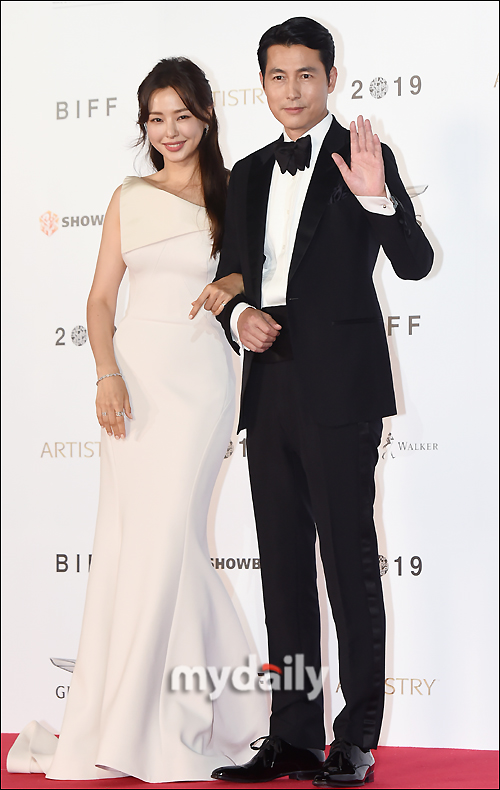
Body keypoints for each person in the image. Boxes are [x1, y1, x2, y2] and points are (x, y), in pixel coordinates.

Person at [7, 57, 268, 783]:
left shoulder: (234, 189)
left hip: (204, 383)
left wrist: (233, 279)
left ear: (207, 116)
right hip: (135, 381)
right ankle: (186, 710)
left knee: (168, 541)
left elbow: (261, 269)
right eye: (156, 118)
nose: (170, 131)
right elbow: (98, 300)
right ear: (144, 125)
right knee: (138, 546)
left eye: (182, 116)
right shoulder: (128, 195)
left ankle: (182, 717)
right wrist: (107, 373)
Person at [210, 17, 434, 787]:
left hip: (340, 389)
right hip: (268, 383)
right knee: (281, 571)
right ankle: (295, 734)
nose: (293, 90)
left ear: (331, 78)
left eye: (307, 74)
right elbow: (232, 275)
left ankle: (356, 738)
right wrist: (241, 318)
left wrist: (378, 201)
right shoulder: (244, 173)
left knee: (348, 566)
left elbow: (414, 262)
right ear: (263, 83)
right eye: (278, 76)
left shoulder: (366, 159)